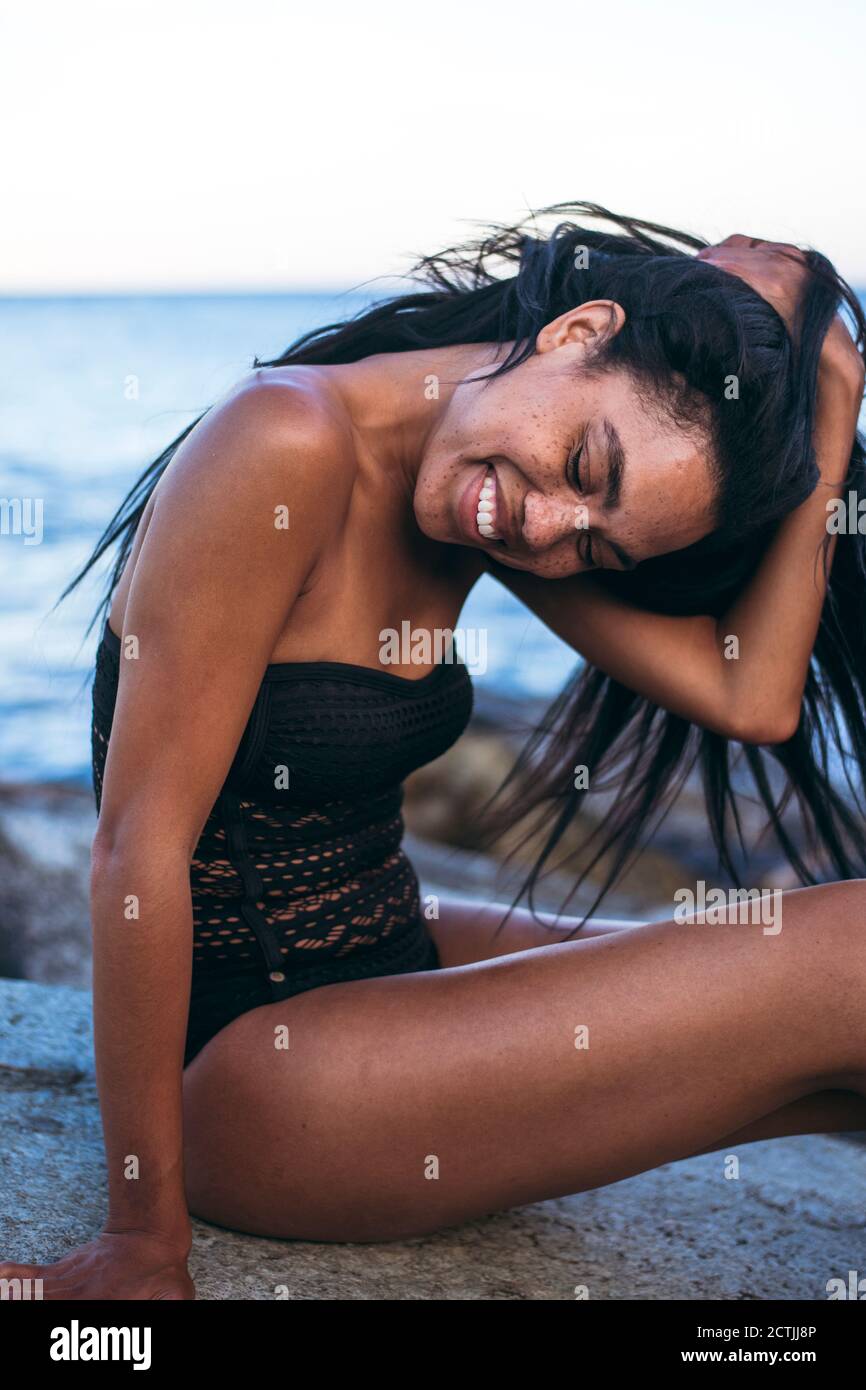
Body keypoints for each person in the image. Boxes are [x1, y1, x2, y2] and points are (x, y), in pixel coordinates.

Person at [3, 203, 865, 1300]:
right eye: (583, 465)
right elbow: (137, 847)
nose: (547, 527)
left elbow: (749, 696)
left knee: (800, 1004)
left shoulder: (477, 487)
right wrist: (141, 1237)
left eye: (596, 540)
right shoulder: (287, 440)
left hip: (384, 963)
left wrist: (831, 407)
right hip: (260, 1076)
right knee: (848, 954)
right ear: (574, 331)